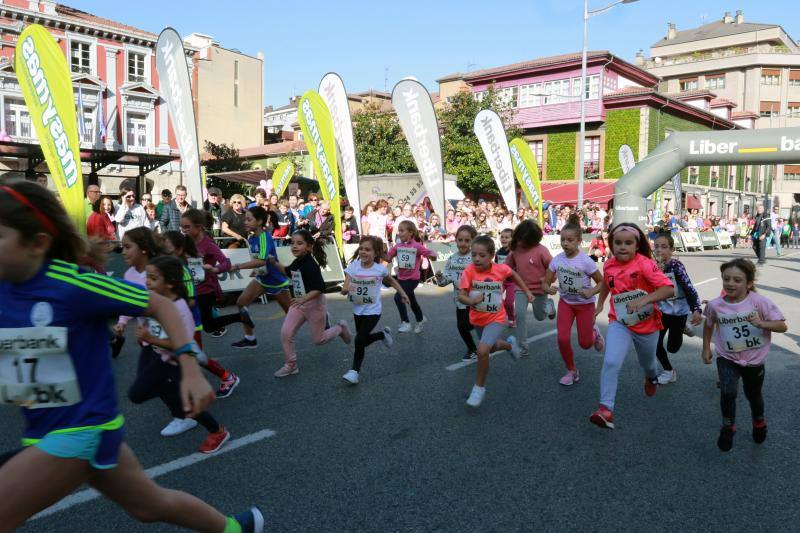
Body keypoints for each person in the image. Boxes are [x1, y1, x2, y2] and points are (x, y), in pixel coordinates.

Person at [0, 181, 264, 532]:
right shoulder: (6, 289)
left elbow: (159, 304)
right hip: (45, 433)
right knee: (151, 505)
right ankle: (234, 529)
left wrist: (189, 366)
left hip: (80, 432)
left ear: (37, 243)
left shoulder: (72, 284)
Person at [131, 255, 231, 453]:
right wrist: (143, 333)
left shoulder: (179, 309)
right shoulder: (156, 299)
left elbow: (180, 344)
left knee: (139, 394)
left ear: (170, 283)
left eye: (153, 278)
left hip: (174, 361)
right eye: (147, 277)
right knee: (167, 394)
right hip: (155, 353)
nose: (147, 282)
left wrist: (151, 339)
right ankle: (186, 416)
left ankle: (217, 430)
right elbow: (145, 315)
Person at [589, 223, 674, 430]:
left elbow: (668, 289)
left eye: (628, 243)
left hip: (646, 324)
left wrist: (644, 300)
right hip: (620, 322)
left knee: (649, 364)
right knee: (610, 362)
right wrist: (600, 305)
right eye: (618, 243)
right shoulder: (609, 265)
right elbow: (608, 285)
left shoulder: (645, 263)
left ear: (637, 245)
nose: (623, 247)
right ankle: (606, 409)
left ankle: (651, 377)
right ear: (611, 245)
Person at [702, 258, 787, 451]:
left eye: (737, 280)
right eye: (726, 279)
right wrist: (706, 348)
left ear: (749, 283)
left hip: (753, 360)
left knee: (753, 394)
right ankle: (728, 427)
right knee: (728, 392)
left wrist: (762, 324)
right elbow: (708, 326)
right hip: (727, 356)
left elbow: (782, 325)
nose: (730, 283)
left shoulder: (760, 302)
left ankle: (758, 422)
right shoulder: (715, 305)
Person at [161, 231, 240, 402]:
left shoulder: (183, 269)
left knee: (196, 357)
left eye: (166, 245)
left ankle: (227, 376)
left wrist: (167, 307)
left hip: (190, 322)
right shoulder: (169, 267)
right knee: (180, 357)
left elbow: (190, 301)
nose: (162, 248)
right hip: (177, 322)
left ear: (178, 249)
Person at [459, 235, 531, 408]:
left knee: (482, 350)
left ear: (491, 255)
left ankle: (479, 388)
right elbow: (461, 296)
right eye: (474, 255)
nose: (477, 258)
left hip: (497, 318)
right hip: (477, 318)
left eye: (482, 255)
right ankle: (509, 346)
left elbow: (513, 274)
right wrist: (471, 301)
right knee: (489, 348)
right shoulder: (469, 271)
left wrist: (526, 291)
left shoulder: (500, 269)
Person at [269, 230, 352, 377]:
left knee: (318, 340)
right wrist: (274, 263)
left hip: (314, 305)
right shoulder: (298, 261)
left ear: (309, 247)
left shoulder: (310, 265)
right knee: (286, 333)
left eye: (299, 243)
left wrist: (303, 299)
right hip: (299, 305)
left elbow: (320, 288)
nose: (294, 246)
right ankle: (291, 365)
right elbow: (287, 271)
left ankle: (340, 328)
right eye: (292, 243)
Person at [542, 216, 605, 386]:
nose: (565, 243)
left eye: (570, 240)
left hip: (585, 305)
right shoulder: (557, 260)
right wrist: (549, 289)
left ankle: (595, 333)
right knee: (562, 339)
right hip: (566, 303)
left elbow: (602, 282)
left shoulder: (585, 261)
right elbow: (545, 283)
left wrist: (591, 291)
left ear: (579, 241)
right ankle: (572, 370)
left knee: (585, 344)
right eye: (563, 239)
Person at [340, 236, 408, 385]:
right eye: (361, 248)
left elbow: (392, 281)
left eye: (368, 249)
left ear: (376, 253)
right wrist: (346, 290)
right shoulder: (353, 267)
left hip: (373, 311)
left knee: (359, 340)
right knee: (362, 341)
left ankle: (354, 372)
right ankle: (381, 335)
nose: (363, 252)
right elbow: (346, 287)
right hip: (358, 310)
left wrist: (403, 294)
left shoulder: (379, 269)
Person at [228, 206, 291, 351]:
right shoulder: (251, 238)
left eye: (249, 219)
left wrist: (238, 266)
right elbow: (259, 261)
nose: (245, 222)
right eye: (245, 219)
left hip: (276, 281)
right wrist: (256, 271)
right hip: (262, 279)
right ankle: (250, 338)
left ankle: (320, 316)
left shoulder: (264, 236)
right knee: (241, 302)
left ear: (260, 221)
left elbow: (263, 260)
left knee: (294, 313)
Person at [180, 208, 239, 339]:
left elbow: (226, 263)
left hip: (206, 290)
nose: (184, 230)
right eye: (182, 227)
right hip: (190, 288)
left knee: (208, 326)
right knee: (191, 322)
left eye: (187, 227)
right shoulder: (184, 242)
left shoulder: (208, 244)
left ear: (199, 227)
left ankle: (240, 316)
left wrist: (214, 269)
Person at [652, 233, 702, 385]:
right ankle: (668, 371)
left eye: (664, 247)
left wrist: (696, 309)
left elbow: (689, 288)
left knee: (672, 348)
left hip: (679, 311)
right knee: (654, 344)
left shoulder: (676, 266)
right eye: (656, 247)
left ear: (672, 250)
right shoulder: (651, 266)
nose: (659, 250)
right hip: (661, 310)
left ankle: (682, 328)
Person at [506, 220, 555, 357]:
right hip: (520, 287)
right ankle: (523, 346)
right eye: (519, 238)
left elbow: (553, 269)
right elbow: (507, 267)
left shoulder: (541, 250)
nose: (521, 242)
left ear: (533, 240)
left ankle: (549, 307)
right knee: (519, 315)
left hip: (540, 289)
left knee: (540, 316)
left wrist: (547, 279)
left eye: (525, 240)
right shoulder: (515, 249)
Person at [435, 225, 478, 361]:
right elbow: (445, 281)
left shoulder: (476, 258)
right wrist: (440, 277)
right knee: (461, 327)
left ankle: (475, 344)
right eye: (460, 240)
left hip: (474, 299)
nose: (463, 243)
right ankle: (473, 349)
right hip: (459, 300)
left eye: (467, 240)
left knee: (464, 325)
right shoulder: (452, 258)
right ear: (456, 241)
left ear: (473, 242)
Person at [387, 220, 437, 333]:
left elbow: (430, 253)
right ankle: (420, 319)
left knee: (398, 297)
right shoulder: (398, 246)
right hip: (401, 279)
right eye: (398, 230)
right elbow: (388, 258)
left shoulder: (416, 246)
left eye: (402, 230)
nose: (399, 233)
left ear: (410, 232)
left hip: (413, 279)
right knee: (412, 301)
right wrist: (380, 253)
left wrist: (433, 256)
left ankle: (406, 322)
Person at [495, 228, 515, 328]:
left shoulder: (515, 253)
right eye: (502, 237)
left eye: (507, 237)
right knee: (496, 298)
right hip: (501, 281)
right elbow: (496, 266)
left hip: (512, 282)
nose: (504, 239)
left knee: (509, 302)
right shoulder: (498, 252)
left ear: (512, 239)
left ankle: (512, 318)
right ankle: (500, 315)